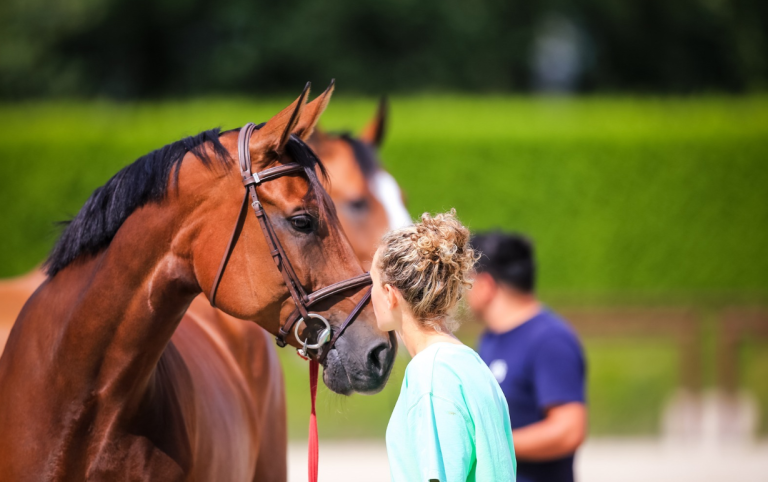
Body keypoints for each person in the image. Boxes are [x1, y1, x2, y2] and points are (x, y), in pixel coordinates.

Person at [370, 210, 516, 482]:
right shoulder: (470, 363)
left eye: (372, 283)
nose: (370, 294)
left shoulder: (432, 375)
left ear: (390, 295)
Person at [467, 232, 587, 482]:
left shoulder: (550, 340)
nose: (462, 291)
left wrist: (489, 445)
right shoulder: (490, 339)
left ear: (486, 285)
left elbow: (569, 430)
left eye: (467, 280)